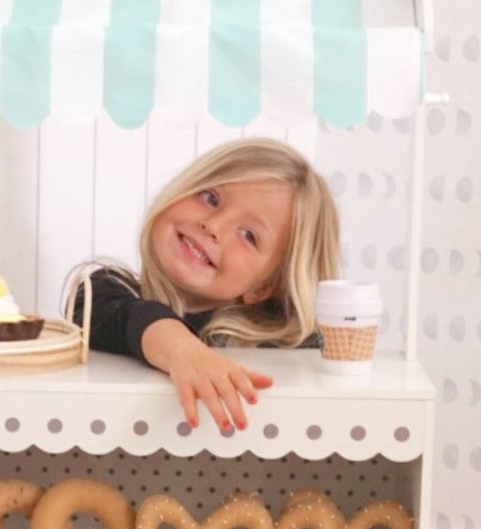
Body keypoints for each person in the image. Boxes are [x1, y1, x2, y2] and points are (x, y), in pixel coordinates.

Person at [68, 138, 340, 433]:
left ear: (266, 287)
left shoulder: (281, 347)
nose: (213, 226)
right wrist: (182, 352)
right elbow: (115, 313)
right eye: (210, 198)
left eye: (248, 235)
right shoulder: (106, 292)